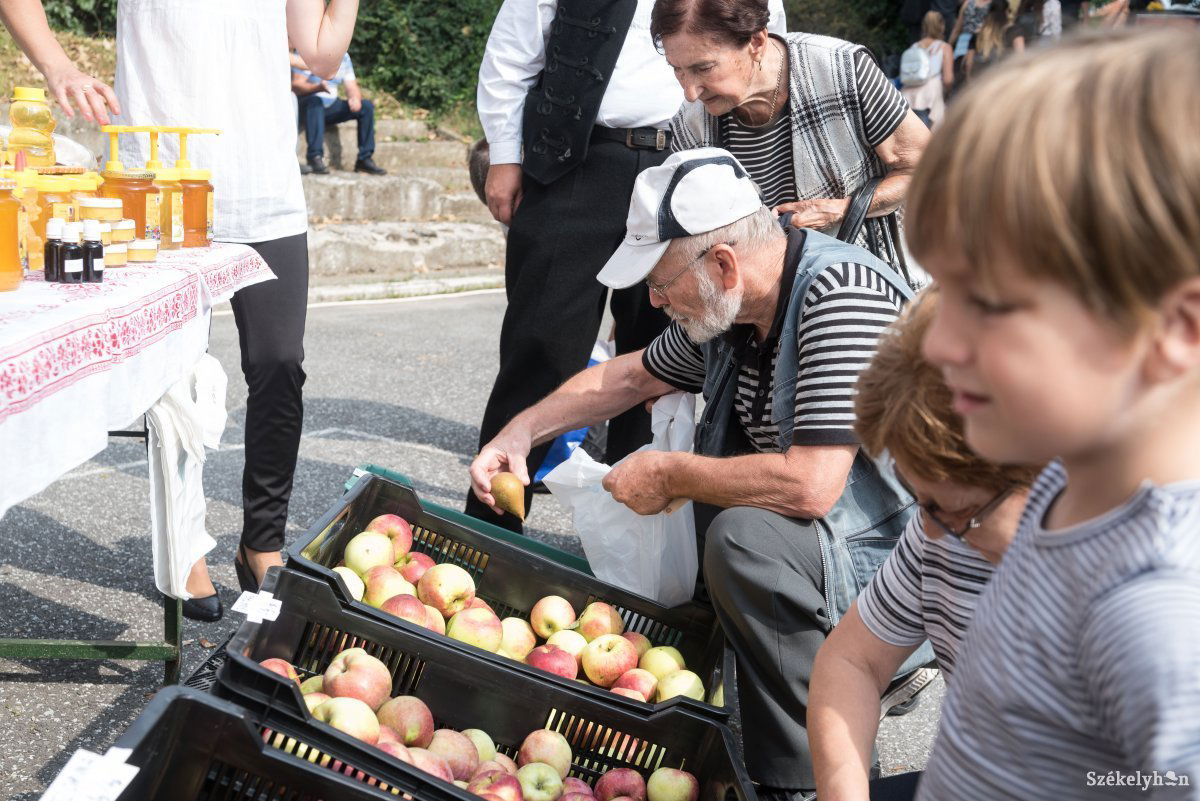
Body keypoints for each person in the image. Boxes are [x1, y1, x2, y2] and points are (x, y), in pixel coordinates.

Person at [471, 148, 932, 800]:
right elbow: (628, 374)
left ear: (723, 262)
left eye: (660, 282)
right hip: (817, 544)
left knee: (742, 537)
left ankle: (812, 776)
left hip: (881, 560)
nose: (654, 301)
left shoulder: (838, 295)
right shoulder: (732, 305)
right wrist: (519, 432)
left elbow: (812, 483)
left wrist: (673, 473)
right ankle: (778, 748)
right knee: (727, 525)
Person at [905, 28, 1200, 800]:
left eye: (989, 304)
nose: (939, 341)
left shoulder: (1158, 615)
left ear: (1175, 330)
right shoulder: (1066, 480)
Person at [0, 0, 359, 620]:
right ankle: (187, 547)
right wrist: (57, 66)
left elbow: (321, 53)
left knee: (279, 365)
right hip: (157, 182)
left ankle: (261, 543)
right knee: (175, 379)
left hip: (263, 185)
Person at [468, 0, 785, 532]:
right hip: (577, 161)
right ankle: (490, 528)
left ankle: (630, 544)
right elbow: (510, 55)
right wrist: (504, 154)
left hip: (687, 160)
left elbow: (764, 46)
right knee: (540, 346)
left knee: (663, 358)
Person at [808, 290, 1041, 801]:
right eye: (921, 500)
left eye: (955, 512)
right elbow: (853, 662)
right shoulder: (943, 531)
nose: (928, 531)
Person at [654, 0, 929, 269]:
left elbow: (928, 168)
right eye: (677, 69)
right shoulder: (689, 124)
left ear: (757, 43)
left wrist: (840, 210)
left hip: (868, 281)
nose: (690, 92)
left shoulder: (841, 70)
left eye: (704, 68)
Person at [293, 51, 386, 176]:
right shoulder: (307, 50)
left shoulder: (344, 57)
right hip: (307, 104)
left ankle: (364, 159)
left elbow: (351, 86)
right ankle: (314, 157)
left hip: (331, 106)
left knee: (366, 107)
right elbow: (296, 85)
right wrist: (316, 88)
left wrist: (354, 98)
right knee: (316, 102)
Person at [900, 12, 954, 128]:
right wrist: (947, 94)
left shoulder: (913, 47)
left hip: (908, 95)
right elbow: (948, 79)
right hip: (931, 96)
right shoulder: (944, 47)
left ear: (924, 26)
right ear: (941, 26)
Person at [965, 1, 1024, 80]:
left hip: (981, 80)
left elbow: (969, 64)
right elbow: (1020, 56)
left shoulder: (978, 34)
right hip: (1005, 79)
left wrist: (969, 81)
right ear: (1006, 12)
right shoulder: (1014, 31)